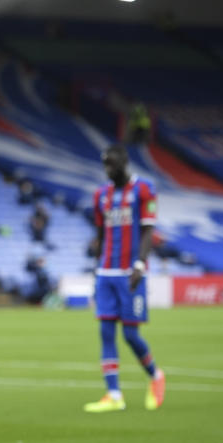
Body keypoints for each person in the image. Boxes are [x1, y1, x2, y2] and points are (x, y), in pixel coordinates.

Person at [85, 144, 166, 413]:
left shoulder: (143, 189)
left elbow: (147, 230)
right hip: (106, 272)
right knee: (105, 331)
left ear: (125, 163)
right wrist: (96, 268)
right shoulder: (100, 195)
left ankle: (155, 376)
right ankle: (114, 394)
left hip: (130, 272)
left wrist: (140, 264)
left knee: (130, 334)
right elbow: (100, 233)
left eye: (113, 164)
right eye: (105, 165)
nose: (109, 170)